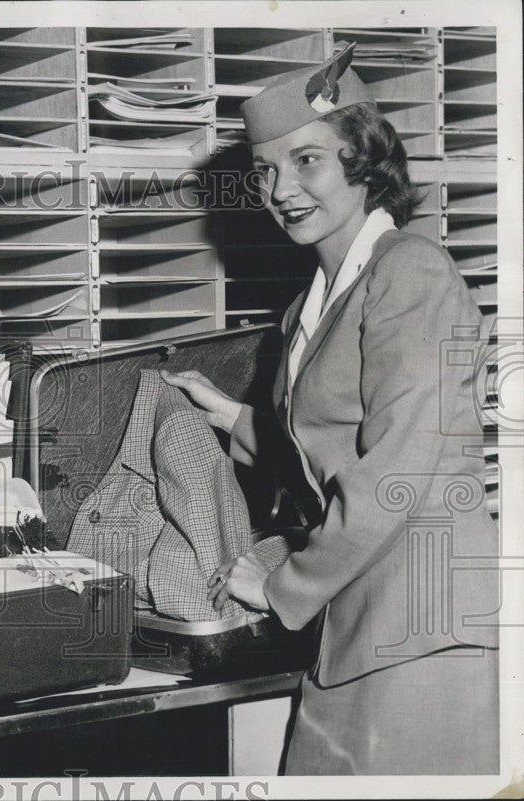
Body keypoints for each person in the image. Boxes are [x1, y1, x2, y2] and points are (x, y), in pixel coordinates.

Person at [162, 43, 499, 775]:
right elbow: (327, 445)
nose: (281, 187)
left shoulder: (411, 269)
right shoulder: (306, 310)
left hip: (420, 626)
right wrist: (225, 413)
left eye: (307, 160)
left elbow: (397, 467)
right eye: (266, 169)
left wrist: (282, 585)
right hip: (357, 620)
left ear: (364, 158)